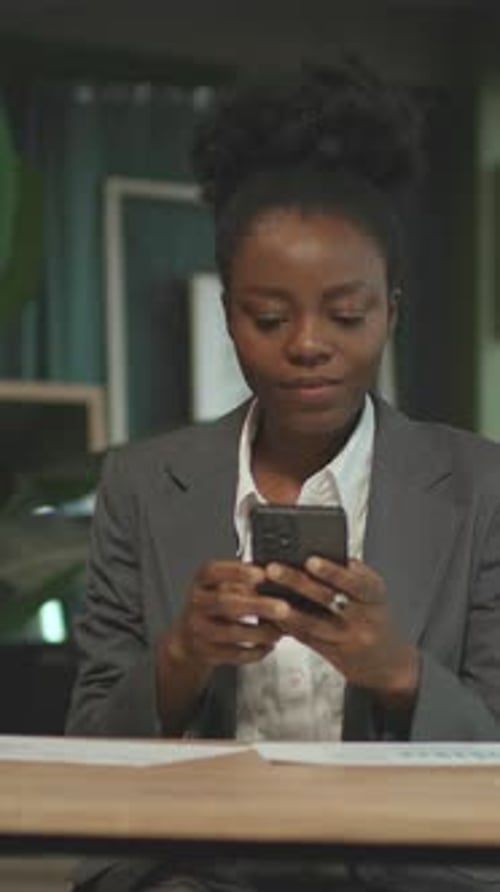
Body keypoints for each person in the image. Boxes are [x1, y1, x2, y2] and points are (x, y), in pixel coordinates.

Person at [66, 60, 500, 892]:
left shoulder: (482, 487)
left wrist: (397, 671)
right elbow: (89, 737)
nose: (308, 343)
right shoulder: (142, 485)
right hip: (197, 873)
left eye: (346, 314)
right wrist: (183, 656)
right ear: (229, 313)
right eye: (269, 316)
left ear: (391, 311)